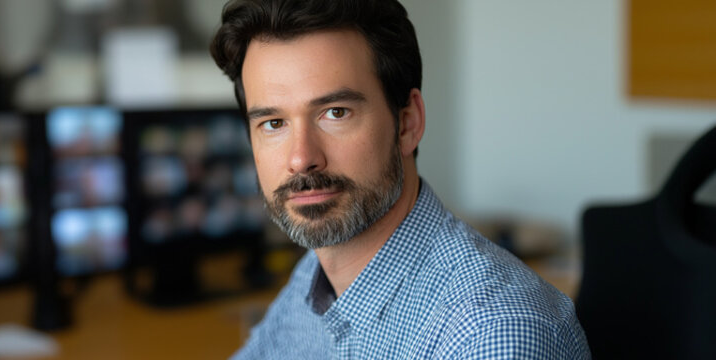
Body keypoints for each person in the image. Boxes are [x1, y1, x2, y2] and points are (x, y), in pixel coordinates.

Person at [208, 0, 590, 358]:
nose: (301, 159)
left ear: (408, 123)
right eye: (273, 123)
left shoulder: (491, 332)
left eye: (335, 113)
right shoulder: (315, 274)